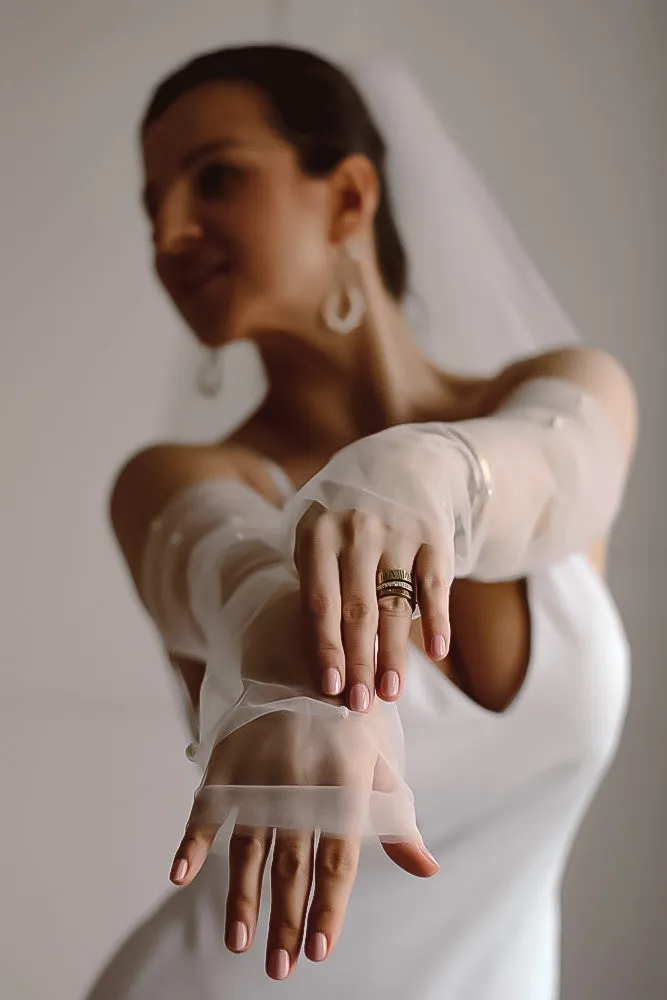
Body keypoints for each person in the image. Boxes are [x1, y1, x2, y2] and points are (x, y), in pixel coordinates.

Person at [86, 45, 637, 999]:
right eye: (151, 207)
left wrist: (427, 468)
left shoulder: (556, 396)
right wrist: (291, 686)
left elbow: (557, 470)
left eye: (214, 178)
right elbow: (231, 568)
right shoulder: (172, 478)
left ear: (346, 196)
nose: (168, 233)